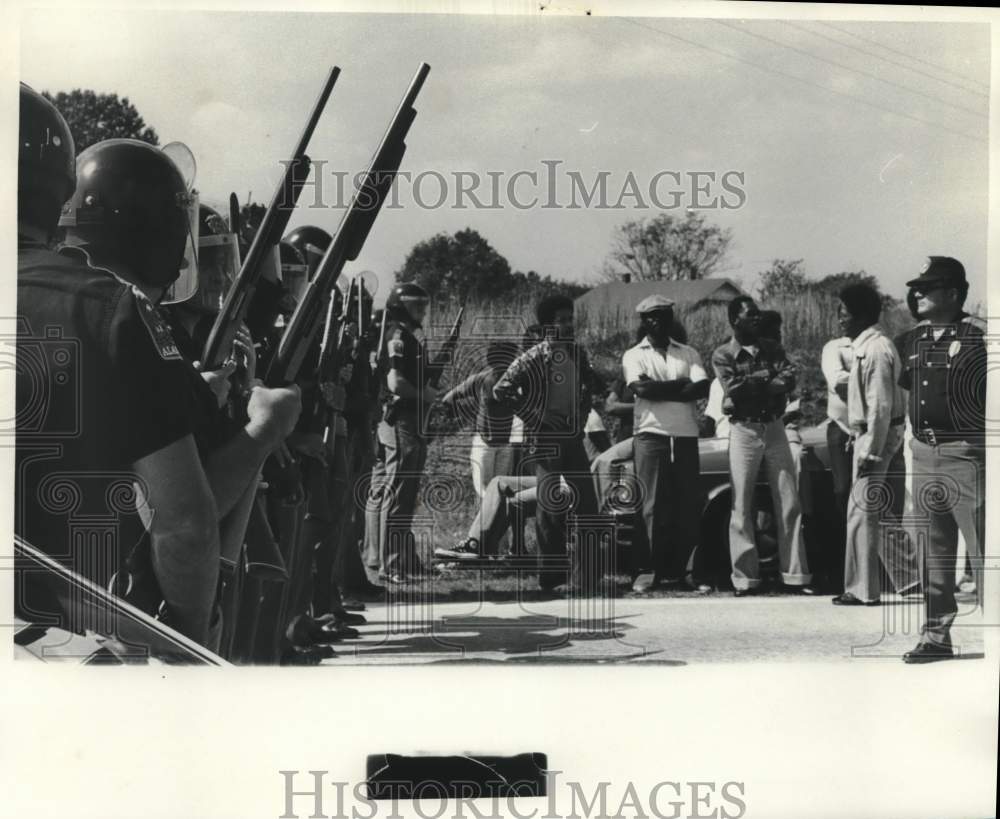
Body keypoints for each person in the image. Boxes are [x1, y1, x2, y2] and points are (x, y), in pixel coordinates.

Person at [15, 92, 214, 647]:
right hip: (62, 641)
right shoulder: (112, 309)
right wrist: (190, 644)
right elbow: (186, 524)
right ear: (57, 187)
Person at [896, 257, 985, 663]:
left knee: (984, 549)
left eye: (928, 288)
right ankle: (936, 636)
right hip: (925, 452)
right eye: (917, 288)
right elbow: (908, 396)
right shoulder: (909, 341)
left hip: (967, 453)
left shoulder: (979, 337)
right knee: (932, 551)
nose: (918, 294)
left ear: (952, 293)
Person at [493, 294, 606, 592]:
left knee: (588, 507)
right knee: (550, 509)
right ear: (547, 326)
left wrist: (580, 417)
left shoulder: (577, 354)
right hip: (545, 440)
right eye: (561, 320)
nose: (568, 325)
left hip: (573, 437)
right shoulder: (532, 358)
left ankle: (586, 578)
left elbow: (588, 387)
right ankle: (551, 577)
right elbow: (501, 390)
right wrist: (537, 416)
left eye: (570, 319)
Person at [711, 296, 813, 596]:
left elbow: (789, 379)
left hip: (774, 426)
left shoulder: (772, 348)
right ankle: (745, 579)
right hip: (744, 429)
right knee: (741, 504)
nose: (756, 319)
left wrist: (756, 381)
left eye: (757, 314)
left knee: (789, 502)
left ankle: (795, 576)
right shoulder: (722, 353)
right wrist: (767, 378)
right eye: (749, 315)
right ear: (734, 320)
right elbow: (735, 390)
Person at [622, 295, 711, 592]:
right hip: (651, 434)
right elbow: (641, 388)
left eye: (663, 315)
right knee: (650, 506)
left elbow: (700, 387)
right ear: (644, 321)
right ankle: (647, 571)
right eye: (651, 316)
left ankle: (689, 571)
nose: (657, 321)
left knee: (688, 503)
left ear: (671, 318)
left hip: (685, 435)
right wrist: (678, 387)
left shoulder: (688, 353)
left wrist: (659, 389)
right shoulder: (634, 355)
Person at [831, 284, 906, 606]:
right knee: (871, 511)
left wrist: (870, 449)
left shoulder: (874, 350)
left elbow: (880, 407)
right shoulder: (872, 346)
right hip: (873, 432)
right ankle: (883, 583)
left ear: (860, 315)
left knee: (862, 511)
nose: (839, 320)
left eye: (843, 313)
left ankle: (863, 589)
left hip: (874, 434)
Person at [375, 282, 438, 584]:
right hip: (402, 420)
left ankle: (403, 562)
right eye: (416, 306)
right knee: (398, 493)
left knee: (406, 494)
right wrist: (424, 395)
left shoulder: (409, 337)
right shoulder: (398, 336)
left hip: (414, 422)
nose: (422, 312)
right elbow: (395, 382)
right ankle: (391, 565)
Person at [821, 330, 854, 591]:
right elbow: (838, 383)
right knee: (842, 493)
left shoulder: (877, 344)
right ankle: (840, 572)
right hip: (841, 428)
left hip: (871, 429)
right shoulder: (834, 347)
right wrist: (871, 379)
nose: (845, 319)